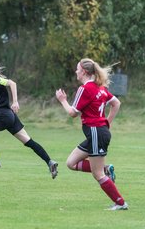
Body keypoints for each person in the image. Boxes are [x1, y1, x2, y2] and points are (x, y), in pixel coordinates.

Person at [0, 55, 58, 179]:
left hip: (4, 115)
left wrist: (15, 101)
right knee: (28, 141)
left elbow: (12, 83)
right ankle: (50, 162)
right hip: (9, 116)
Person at [55, 58, 128, 210]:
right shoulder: (99, 87)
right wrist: (107, 123)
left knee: (98, 174)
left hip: (96, 132)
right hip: (97, 133)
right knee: (71, 163)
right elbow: (116, 103)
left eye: (77, 69)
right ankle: (106, 169)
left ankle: (120, 203)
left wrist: (62, 100)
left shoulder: (86, 88)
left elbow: (72, 113)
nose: (76, 71)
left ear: (84, 72)